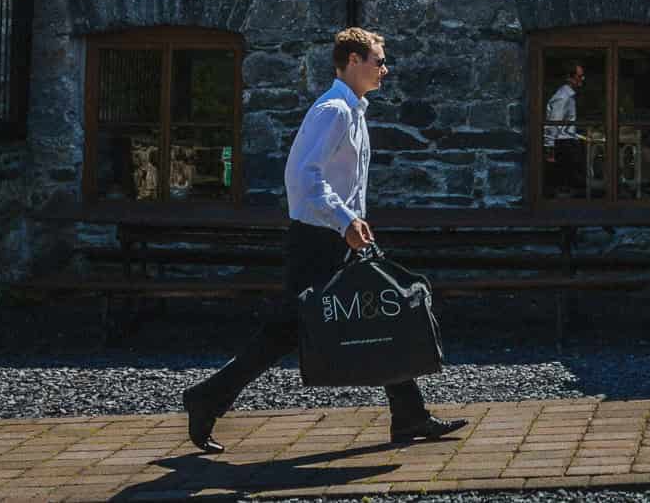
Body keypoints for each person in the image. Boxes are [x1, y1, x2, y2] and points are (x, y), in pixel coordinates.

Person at [182, 27, 466, 453]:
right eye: (378, 60)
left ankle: (409, 415)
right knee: (287, 330)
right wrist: (345, 220)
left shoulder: (354, 111)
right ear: (353, 61)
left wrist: (351, 224)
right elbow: (301, 178)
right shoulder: (333, 110)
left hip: (339, 237)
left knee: (381, 314)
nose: (384, 69)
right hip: (318, 240)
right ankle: (206, 397)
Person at [543, 61, 586, 197]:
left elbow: (566, 124)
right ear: (569, 77)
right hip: (563, 145)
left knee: (570, 185)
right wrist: (550, 149)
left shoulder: (569, 96)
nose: (582, 79)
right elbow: (554, 123)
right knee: (564, 186)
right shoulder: (563, 97)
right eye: (580, 76)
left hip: (567, 142)